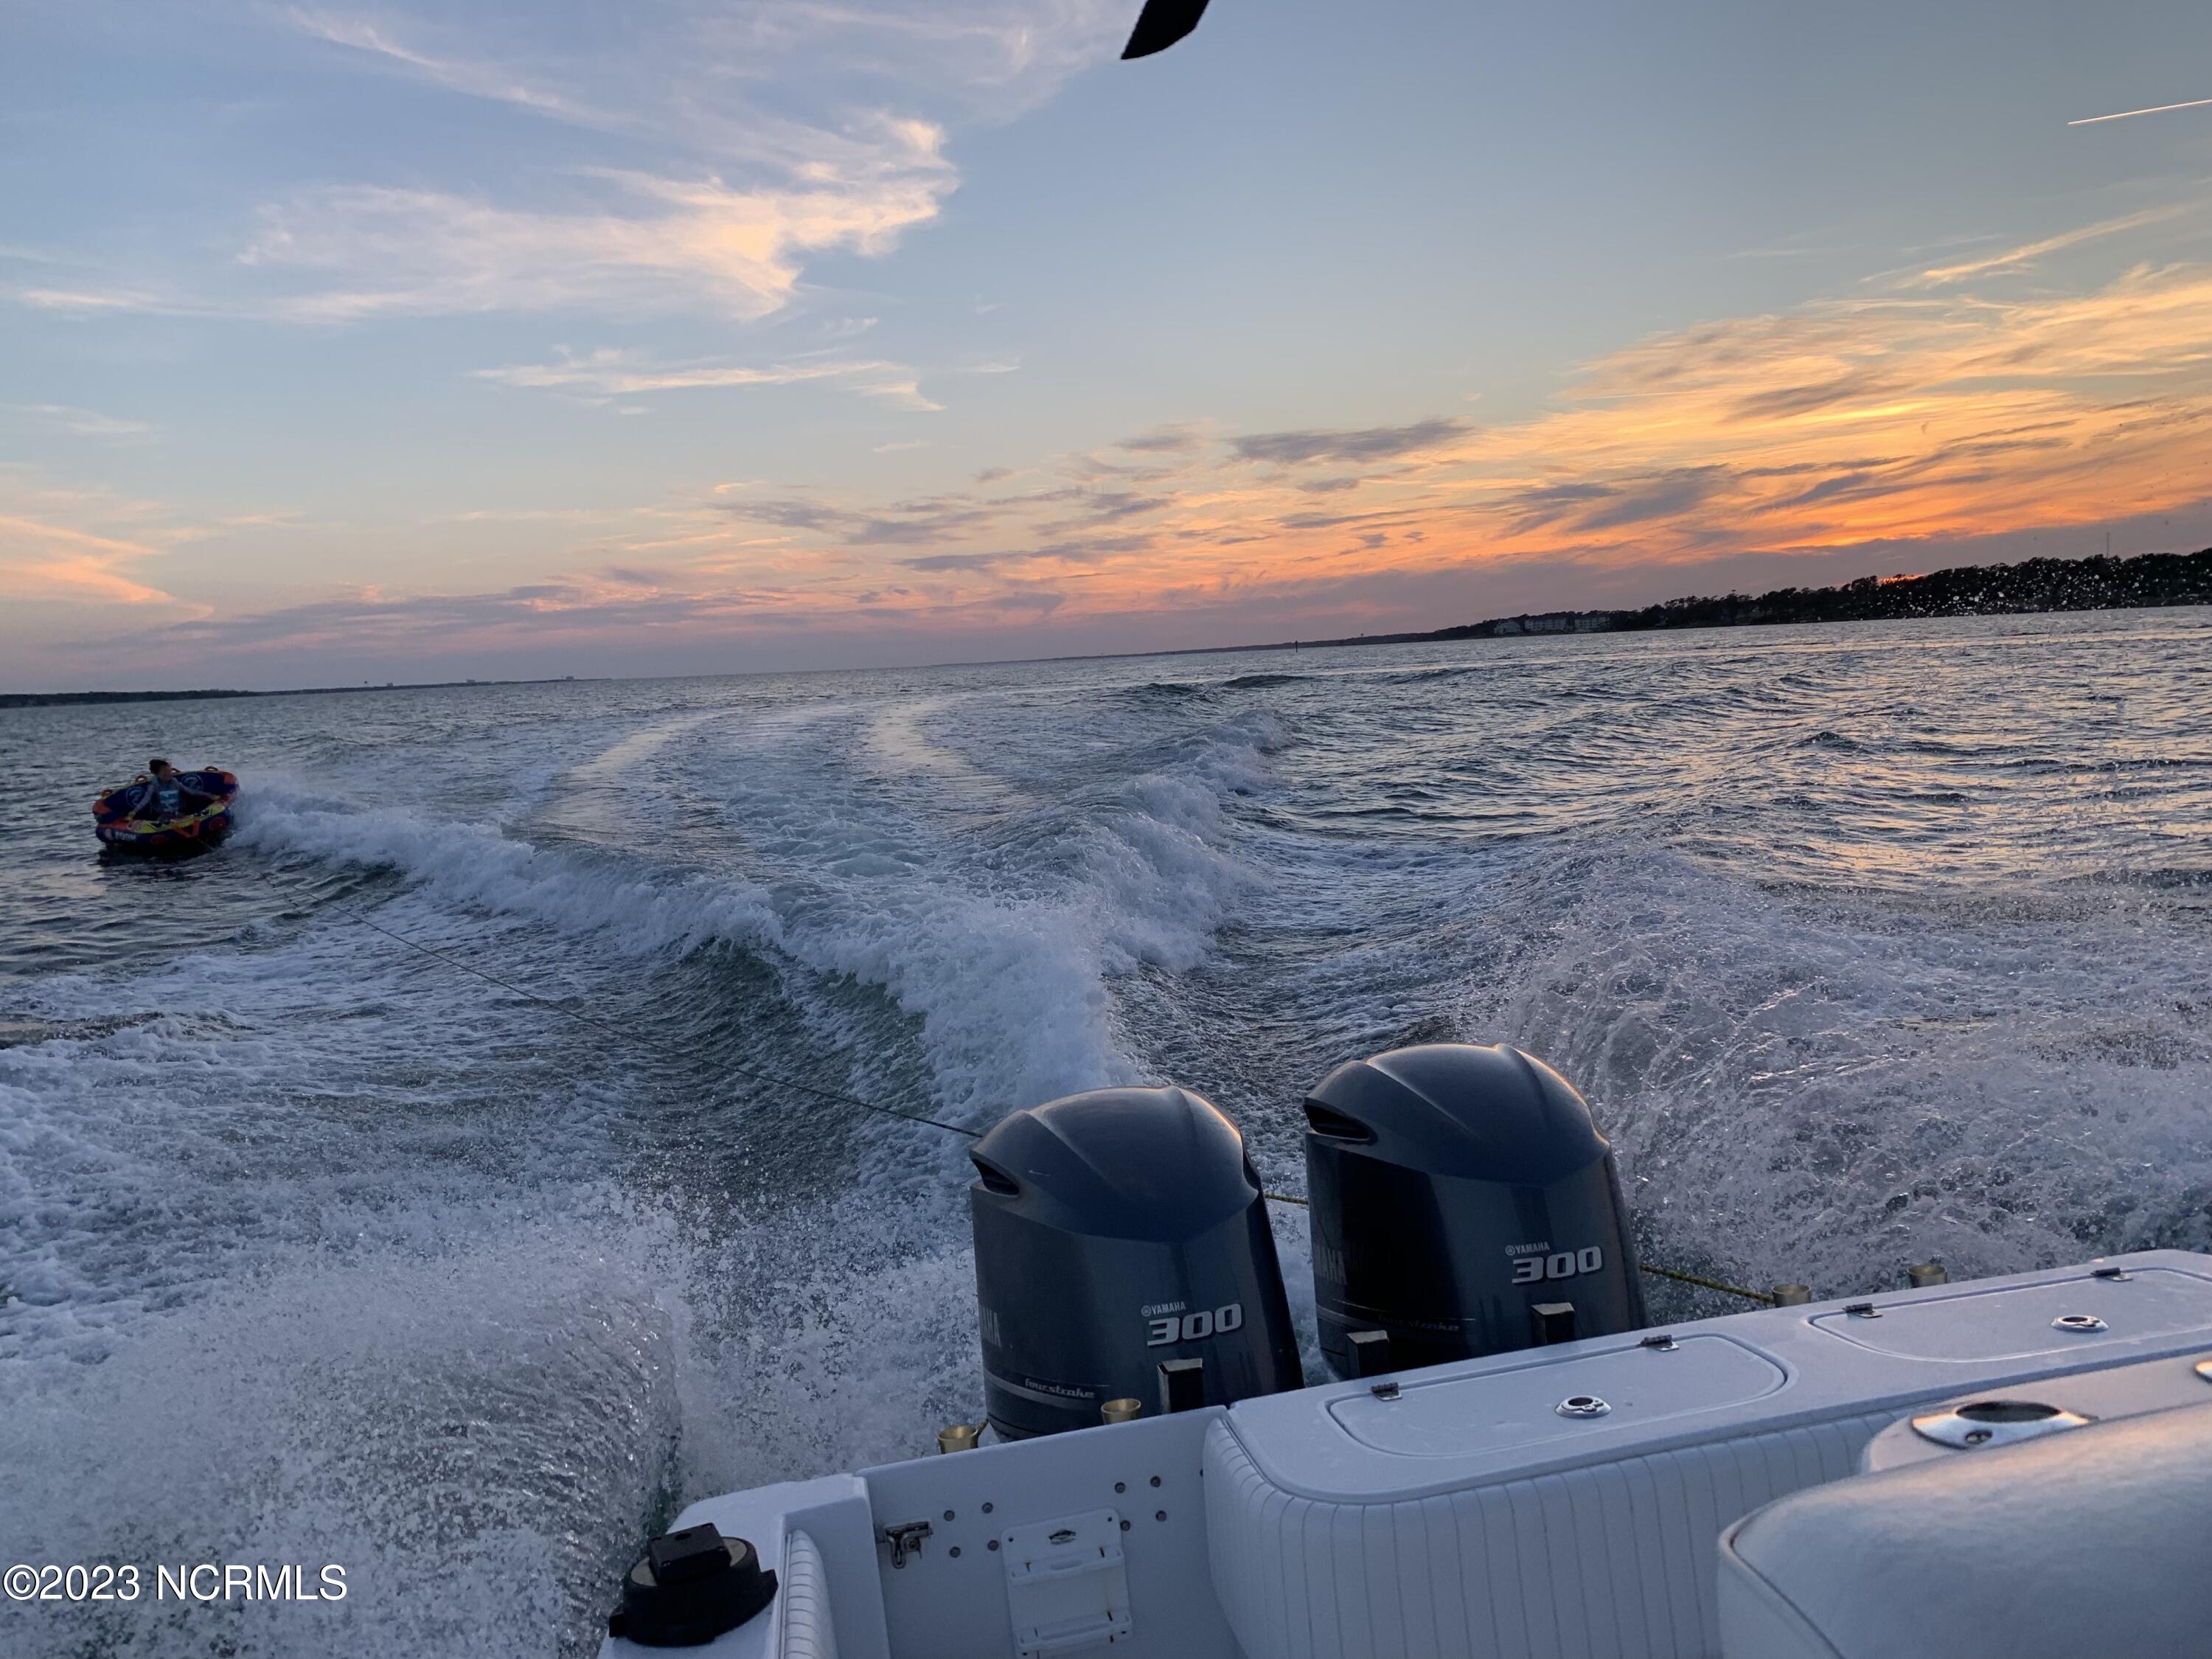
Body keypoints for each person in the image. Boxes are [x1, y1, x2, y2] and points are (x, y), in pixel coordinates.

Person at [139, 758, 212, 821]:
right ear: (157, 774)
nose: (169, 774)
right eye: (165, 772)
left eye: (169, 771)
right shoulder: (153, 786)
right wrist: (134, 812)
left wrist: (208, 795)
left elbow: (190, 791)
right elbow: (145, 800)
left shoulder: (175, 782)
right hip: (163, 817)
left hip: (178, 814)